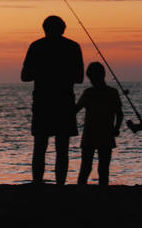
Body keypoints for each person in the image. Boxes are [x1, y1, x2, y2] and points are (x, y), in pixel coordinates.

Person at [21, 15, 84, 185]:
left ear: (44, 28)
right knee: (62, 148)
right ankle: (60, 185)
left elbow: (25, 76)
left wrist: (42, 72)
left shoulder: (36, 46)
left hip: (43, 102)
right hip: (64, 102)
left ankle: (37, 183)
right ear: (63, 28)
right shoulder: (72, 47)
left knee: (39, 146)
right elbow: (79, 78)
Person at [75, 61, 123, 187]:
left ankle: (81, 189)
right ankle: (103, 190)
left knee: (85, 167)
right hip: (106, 133)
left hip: (90, 134)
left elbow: (75, 110)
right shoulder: (113, 92)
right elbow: (120, 114)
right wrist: (116, 128)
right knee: (103, 168)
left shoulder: (89, 93)